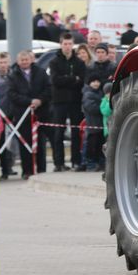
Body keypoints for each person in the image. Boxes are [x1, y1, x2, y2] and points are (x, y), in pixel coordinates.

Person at [8, 50, 51, 178]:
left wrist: (40, 100)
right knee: (25, 144)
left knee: (41, 143)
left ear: (31, 60)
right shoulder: (13, 75)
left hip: (40, 113)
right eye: (22, 60)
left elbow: (48, 89)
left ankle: (41, 170)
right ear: (18, 61)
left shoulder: (41, 72)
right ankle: (27, 171)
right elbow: (12, 94)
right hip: (22, 115)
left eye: (26, 59)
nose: (24, 62)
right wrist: (29, 101)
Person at [49, 33, 86, 172]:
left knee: (76, 132)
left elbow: (81, 80)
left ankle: (76, 161)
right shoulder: (54, 62)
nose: (67, 46)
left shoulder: (79, 62)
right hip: (59, 101)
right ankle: (58, 163)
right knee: (59, 132)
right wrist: (72, 79)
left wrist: (68, 79)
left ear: (73, 44)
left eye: (70, 44)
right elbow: (55, 80)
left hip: (75, 101)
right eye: (65, 44)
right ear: (61, 44)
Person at [82, 78, 104, 172]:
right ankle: (90, 164)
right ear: (89, 83)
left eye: (98, 81)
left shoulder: (100, 93)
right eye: (93, 81)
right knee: (91, 145)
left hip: (100, 125)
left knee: (99, 145)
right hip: (92, 124)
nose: (96, 83)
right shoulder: (88, 94)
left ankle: (98, 163)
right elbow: (90, 107)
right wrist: (103, 108)